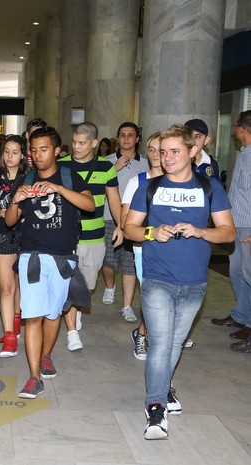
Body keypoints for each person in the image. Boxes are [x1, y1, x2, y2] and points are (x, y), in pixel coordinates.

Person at [124, 124, 234, 440]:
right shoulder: (151, 187)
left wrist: (201, 231)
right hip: (158, 278)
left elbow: (227, 233)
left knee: (173, 344)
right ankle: (155, 407)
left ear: (191, 152)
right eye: (162, 151)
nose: (167, 157)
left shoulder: (209, 187)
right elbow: (130, 227)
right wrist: (150, 232)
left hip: (195, 282)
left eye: (174, 151)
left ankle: (164, 388)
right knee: (160, 343)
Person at [5, 126, 94, 398]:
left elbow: (89, 206)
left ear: (56, 150)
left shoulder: (70, 176)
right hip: (31, 256)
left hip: (62, 258)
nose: (37, 154)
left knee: (53, 313)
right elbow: (9, 222)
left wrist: (57, 188)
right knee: (32, 316)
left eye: (43, 149)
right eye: (33, 149)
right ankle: (34, 377)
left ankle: (46, 355)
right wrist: (15, 200)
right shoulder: (27, 178)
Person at [57, 122, 122, 352]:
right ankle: (72, 331)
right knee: (69, 285)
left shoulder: (106, 168)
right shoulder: (61, 165)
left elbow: (114, 200)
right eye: (74, 141)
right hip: (67, 237)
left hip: (94, 237)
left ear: (94, 143)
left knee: (87, 284)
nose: (76, 146)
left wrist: (121, 225)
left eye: (82, 143)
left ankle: (75, 308)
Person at [0, 134, 30, 357]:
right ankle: (9, 336)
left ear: (22, 155)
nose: (10, 156)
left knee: (21, 286)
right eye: (7, 152)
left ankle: (16, 321)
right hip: (2, 236)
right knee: (6, 287)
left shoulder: (30, 177)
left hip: (28, 236)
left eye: (15, 152)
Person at [121, 132, 164, 360]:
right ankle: (142, 334)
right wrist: (152, 231)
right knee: (153, 297)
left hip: (174, 249)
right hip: (144, 247)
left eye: (162, 149)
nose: (157, 154)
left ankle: (164, 334)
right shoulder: (137, 182)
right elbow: (125, 221)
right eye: (153, 150)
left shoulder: (179, 180)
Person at [212, 111, 251, 347]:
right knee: (238, 272)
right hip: (236, 223)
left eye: (236, 125)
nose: (234, 129)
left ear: (243, 129)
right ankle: (242, 315)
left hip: (249, 225)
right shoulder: (243, 153)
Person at [102, 122, 148, 321]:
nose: (127, 138)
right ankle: (110, 287)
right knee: (108, 260)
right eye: (123, 135)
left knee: (130, 262)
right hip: (109, 217)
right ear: (117, 138)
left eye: (131, 135)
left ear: (137, 138)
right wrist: (114, 168)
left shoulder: (146, 163)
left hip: (134, 220)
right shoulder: (106, 161)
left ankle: (127, 305)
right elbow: (95, 184)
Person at [185, 118, 222, 184]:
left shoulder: (212, 164)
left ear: (206, 140)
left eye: (198, 137)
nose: (193, 141)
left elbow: (218, 191)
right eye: (189, 136)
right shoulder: (177, 162)